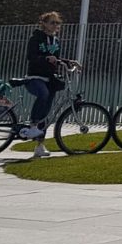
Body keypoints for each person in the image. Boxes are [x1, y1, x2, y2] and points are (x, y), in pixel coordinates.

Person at [22, 11, 80, 158]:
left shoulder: (56, 40)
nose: (55, 25)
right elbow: (31, 56)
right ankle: (33, 125)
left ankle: (39, 146)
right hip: (35, 77)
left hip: (50, 78)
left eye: (57, 23)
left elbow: (57, 58)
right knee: (43, 94)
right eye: (52, 22)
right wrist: (46, 58)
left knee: (46, 112)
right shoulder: (36, 38)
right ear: (44, 24)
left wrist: (68, 62)